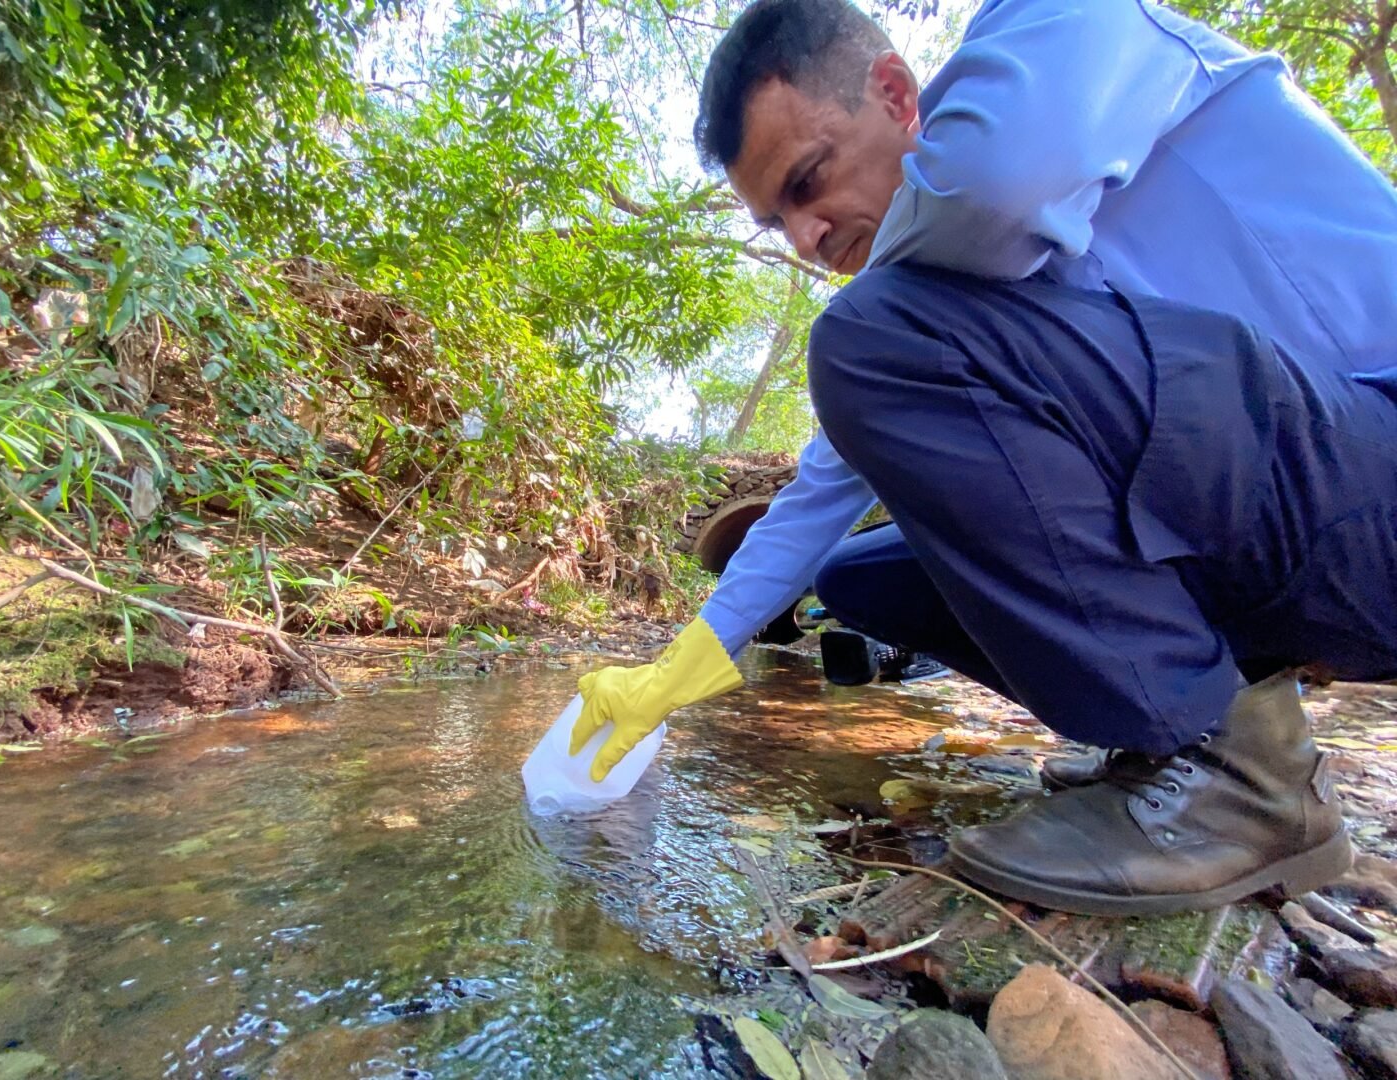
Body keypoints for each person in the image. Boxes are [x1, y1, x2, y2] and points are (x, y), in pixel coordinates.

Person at [568, 0, 1397, 915]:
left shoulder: (1069, 26)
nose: (806, 239)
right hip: (1286, 532)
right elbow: (813, 499)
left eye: (808, 181)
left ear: (893, 92)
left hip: (1373, 475)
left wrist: (879, 304)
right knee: (860, 576)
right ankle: (1170, 732)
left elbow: (997, 187)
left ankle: (1242, 782)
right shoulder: (938, 302)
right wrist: (679, 666)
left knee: (860, 335)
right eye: (777, 223)